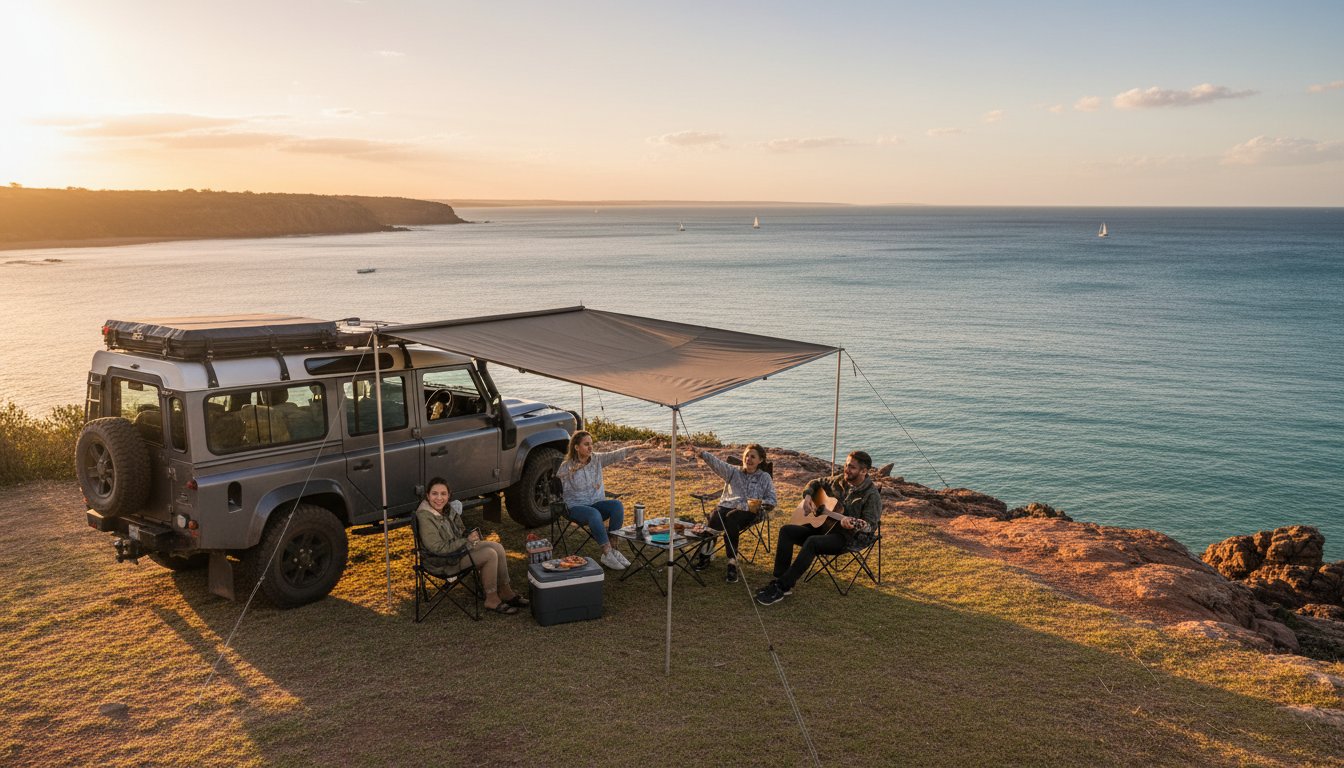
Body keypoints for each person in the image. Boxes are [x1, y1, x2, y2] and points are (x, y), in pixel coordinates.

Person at [755, 451, 881, 605]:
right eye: (846, 465)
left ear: (864, 471)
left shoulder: (871, 495)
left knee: (812, 542)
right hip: (824, 526)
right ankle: (780, 579)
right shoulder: (839, 481)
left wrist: (854, 524)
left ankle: (782, 586)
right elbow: (814, 482)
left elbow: (870, 526)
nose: (846, 469)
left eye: (852, 467)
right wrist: (808, 498)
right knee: (786, 531)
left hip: (848, 537)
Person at [414, 477, 529, 615]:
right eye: (434, 494)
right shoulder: (425, 516)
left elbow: (461, 531)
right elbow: (437, 548)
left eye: (443, 494)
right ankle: (491, 599)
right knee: (489, 554)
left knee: (497, 547)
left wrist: (468, 535)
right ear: (427, 495)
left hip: (457, 551)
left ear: (449, 495)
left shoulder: (447, 509)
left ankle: (505, 591)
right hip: (442, 561)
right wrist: (465, 541)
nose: (439, 498)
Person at [685, 443, 777, 583]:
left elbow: (772, 500)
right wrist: (701, 453)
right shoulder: (734, 472)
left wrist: (755, 504)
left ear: (760, 460)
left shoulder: (764, 477)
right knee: (716, 514)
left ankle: (732, 563)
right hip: (726, 508)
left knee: (731, 518)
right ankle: (705, 554)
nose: (749, 459)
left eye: (753, 457)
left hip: (748, 511)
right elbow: (717, 463)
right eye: (746, 455)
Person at [557, 430, 643, 570]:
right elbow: (556, 484)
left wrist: (640, 447)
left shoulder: (597, 459)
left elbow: (616, 455)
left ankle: (614, 549)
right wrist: (571, 471)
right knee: (593, 514)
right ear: (576, 447)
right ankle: (607, 552)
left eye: (591, 444)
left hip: (596, 504)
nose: (590, 447)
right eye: (586, 444)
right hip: (575, 508)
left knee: (617, 505)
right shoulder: (566, 466)